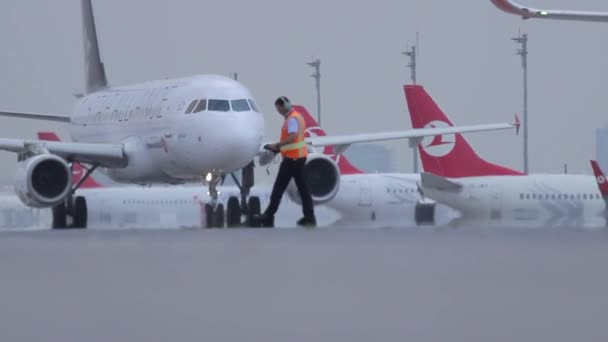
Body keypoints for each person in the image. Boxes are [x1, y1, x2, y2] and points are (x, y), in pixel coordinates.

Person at [255, 97, 316, 227]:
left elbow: (293, 136)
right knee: (304, 190)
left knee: (278, 189)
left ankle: (268, 216)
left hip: (291, 160)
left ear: (283, 106)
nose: (278, 111)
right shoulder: (297, 116)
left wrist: (277, 146)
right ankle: (309, 217)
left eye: (278, 108)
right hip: (299, 158)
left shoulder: (292, 119)